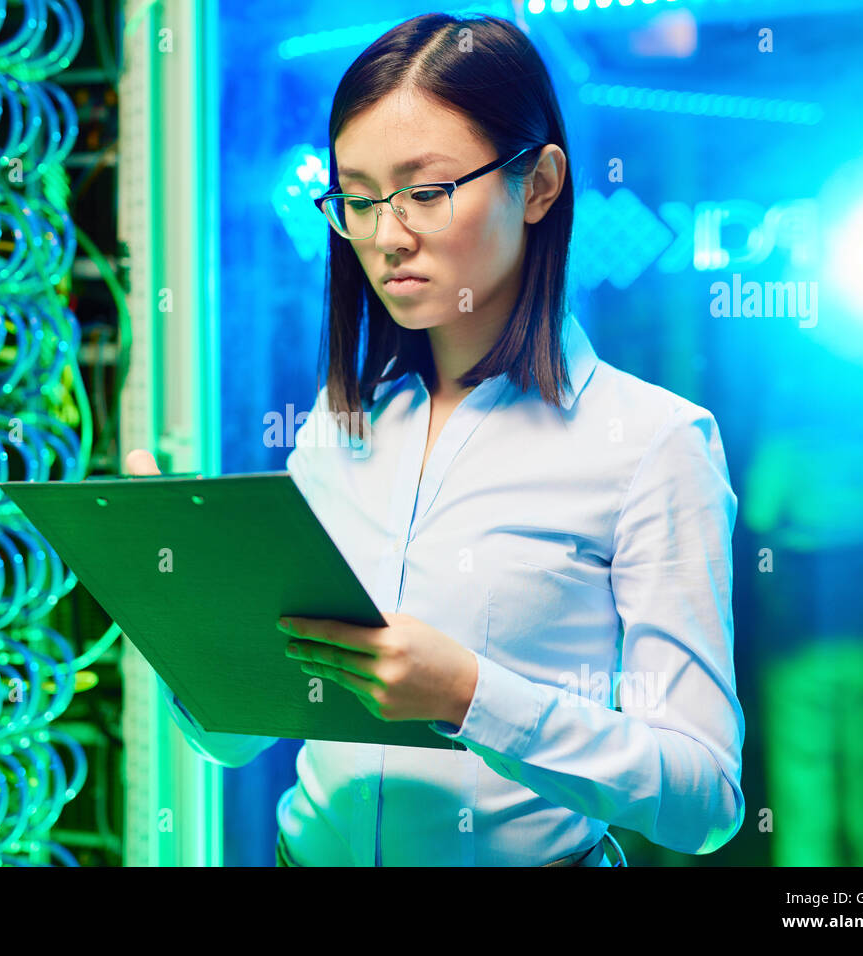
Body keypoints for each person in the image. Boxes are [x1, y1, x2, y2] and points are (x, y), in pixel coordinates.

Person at [129, 12, 744, 867]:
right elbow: (236, 740)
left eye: (425, 192)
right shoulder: (342, 422)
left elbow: (704, 798)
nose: (387, 236)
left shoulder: (653, 443)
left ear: (539, 185)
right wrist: (190, 624)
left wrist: (468, 696)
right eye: (357, 198)